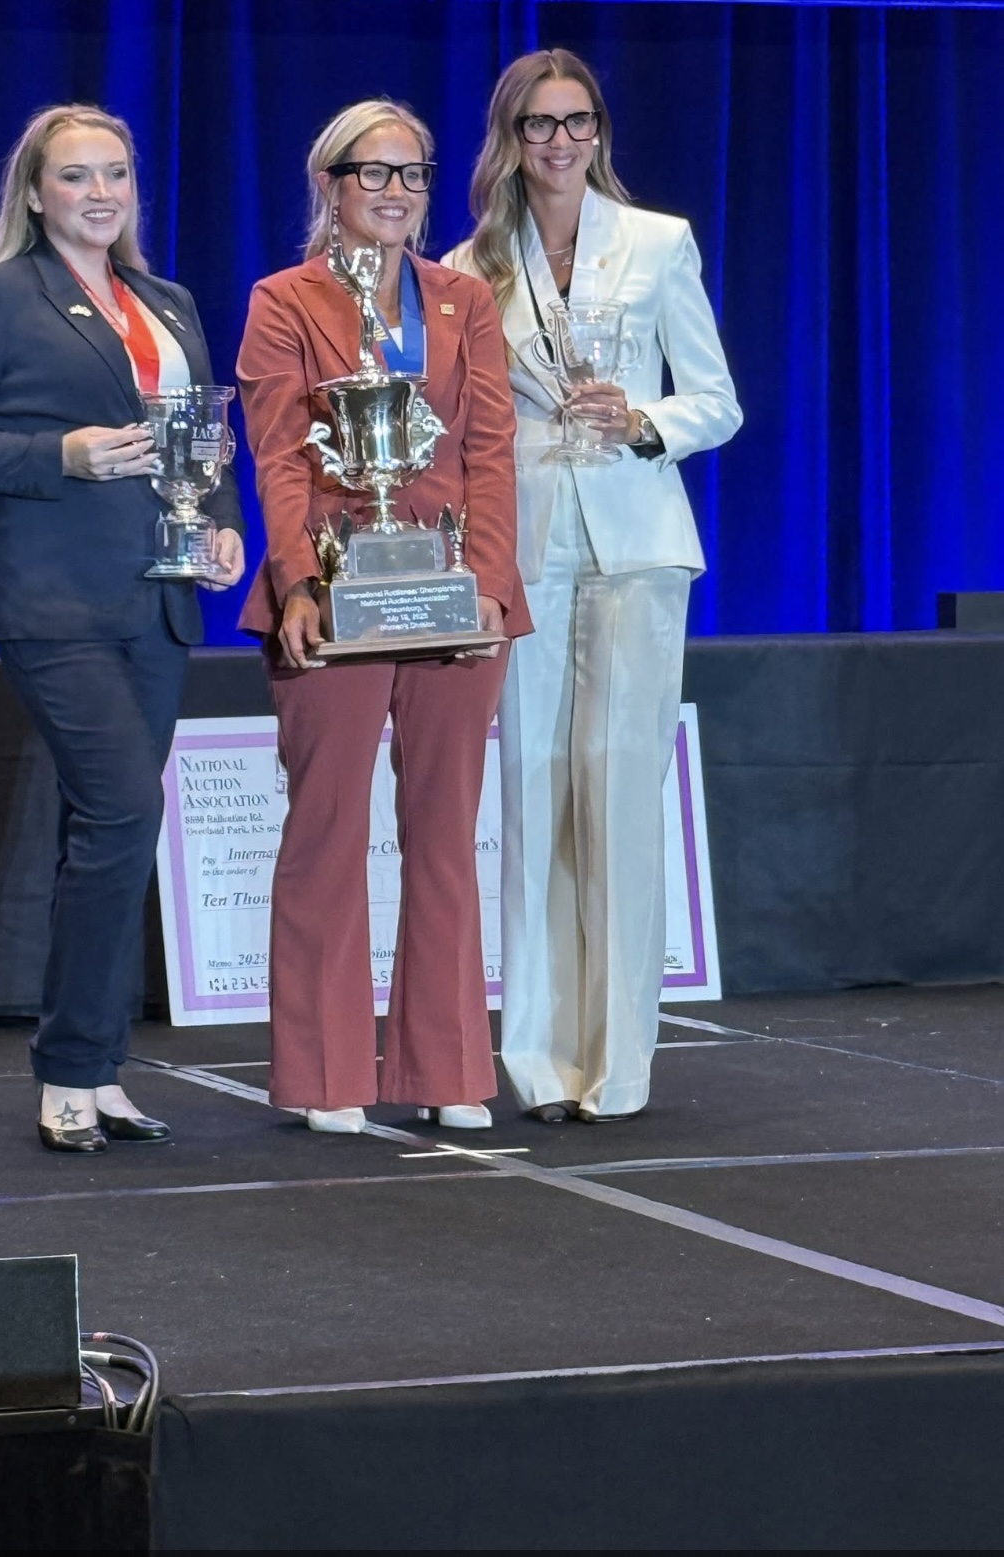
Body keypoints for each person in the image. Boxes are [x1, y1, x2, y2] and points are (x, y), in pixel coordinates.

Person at [0, 104, 245, 1153]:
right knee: (125, 809)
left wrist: (224, 528)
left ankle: (94, 1069)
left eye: (116, 174)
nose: (101, 194)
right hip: (57, 606)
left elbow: (201, 443)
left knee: (102, 832)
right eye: (77, 176)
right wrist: (60, 455)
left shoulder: (168, 300)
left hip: (161, 602)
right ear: (37, 194)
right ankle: (71, 1067)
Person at [444, 50, 741, 1123]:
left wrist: (646, 419)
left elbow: (716, 400)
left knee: (617, 797)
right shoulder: (469, 265)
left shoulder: (657, 243)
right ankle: (535, 1061)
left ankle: (615, 1069)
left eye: (576, 122)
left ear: (599, 133)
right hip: (522, 547)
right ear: (509, 140)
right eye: (538, 124)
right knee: (531, 794)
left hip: (636, 540)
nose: (560, 142)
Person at [236, 99, 531, 1135]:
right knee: (326, 831)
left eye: (411, 173)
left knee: (445, 834)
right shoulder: (283, 300)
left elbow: (490, 450)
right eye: (373, 172)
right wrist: (297, 582)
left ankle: (447, 1065)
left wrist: (488, 581)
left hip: (453, 594)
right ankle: (327, 1074)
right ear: (330, 184)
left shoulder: (463, 299)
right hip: (331, 594)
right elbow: (277, 455)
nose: (395, 191)